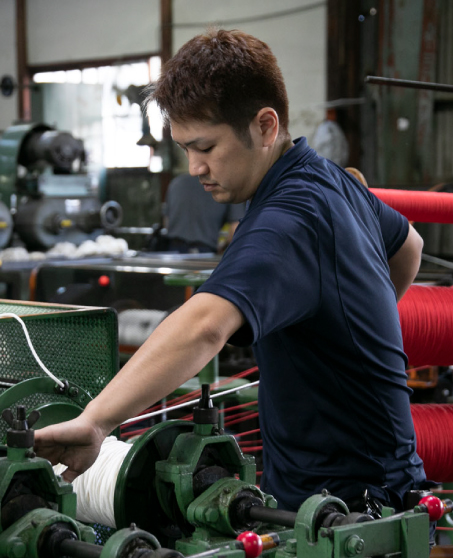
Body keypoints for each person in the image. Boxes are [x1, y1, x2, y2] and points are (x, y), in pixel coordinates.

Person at [34, 28, 426, 514]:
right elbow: (409, 244)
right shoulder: (326, 179)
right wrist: (347, 333)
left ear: (265, 126)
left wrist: (96, 421)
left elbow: (203, 327)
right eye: (185, 149)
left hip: (350, 509)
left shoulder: (289, 217)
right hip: (365, 485)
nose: (194, 167)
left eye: (206, 147)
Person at [164, 173, 245, 253]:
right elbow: (235, 228)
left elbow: (166, 221)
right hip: (206, 251)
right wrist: (224, 248)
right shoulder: (227, 187)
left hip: (174, 250)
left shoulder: (176, 183)